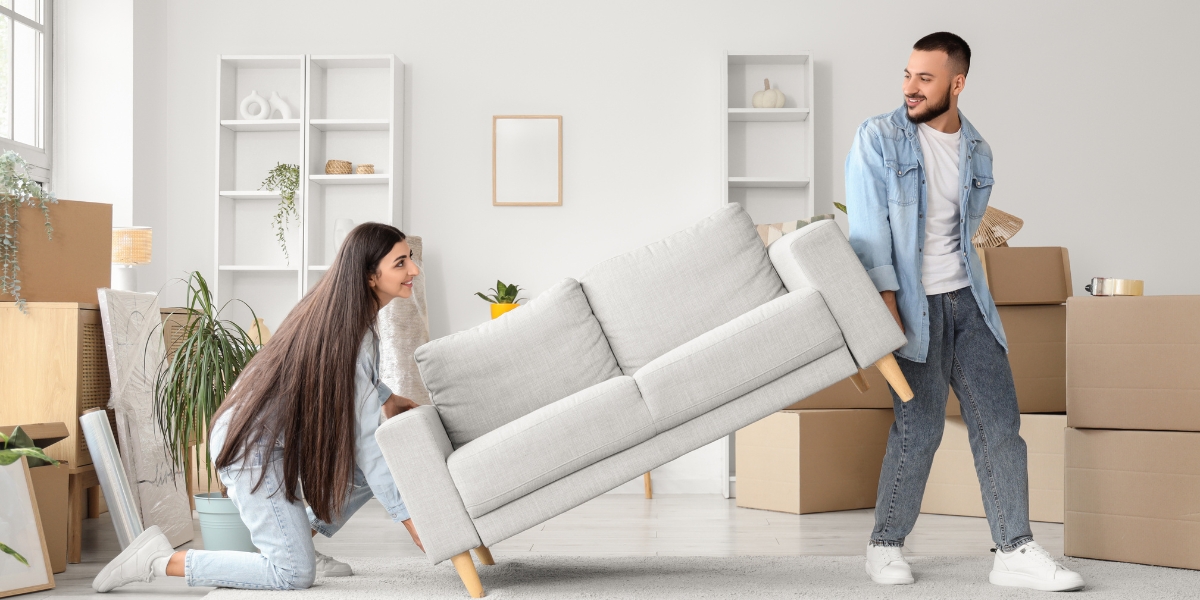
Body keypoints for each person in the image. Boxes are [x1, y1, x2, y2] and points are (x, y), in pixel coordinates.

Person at [845, 32, 1084, 592]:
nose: (910, 87)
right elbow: (867, 234)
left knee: (1001, 425)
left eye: (924, 78)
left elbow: (965, 235)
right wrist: (887, 309)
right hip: (911, 306)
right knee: (919, 429)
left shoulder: (978, 150)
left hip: (970, 304)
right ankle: (884, 546)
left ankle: (1014, 549)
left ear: (957, 83)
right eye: (907, 74)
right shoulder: (877, 138)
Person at [93, 223, 425, 592]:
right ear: (368, 275)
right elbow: (367, 444)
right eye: (400, 263)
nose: (413, 270)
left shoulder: (344, 319)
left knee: (361, 474)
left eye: (409, 258)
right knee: (293, 575)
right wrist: (413, 521)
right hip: (252, 449)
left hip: (274, 442)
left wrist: (387, 397)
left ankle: (299, 542)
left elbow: (351, 380)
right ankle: (157, 560)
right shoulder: (346, 331)